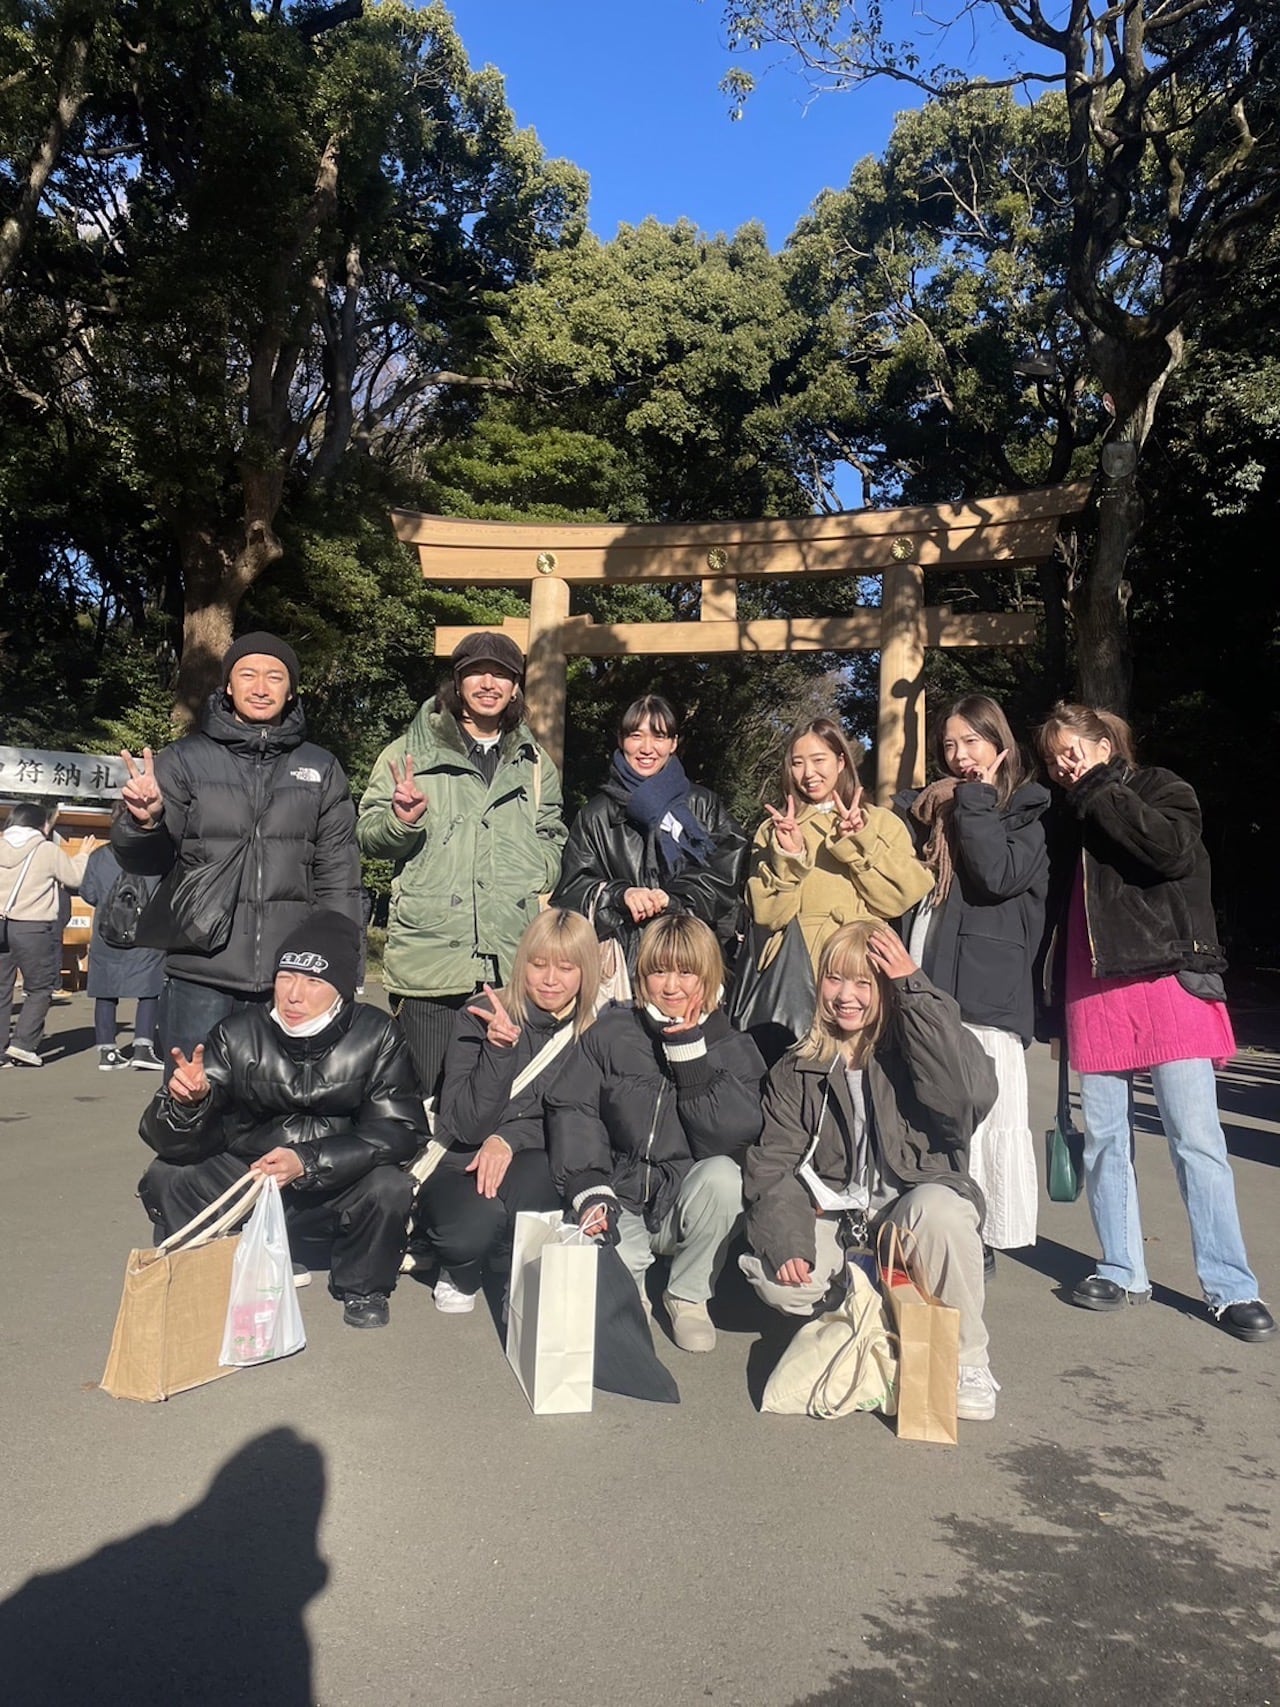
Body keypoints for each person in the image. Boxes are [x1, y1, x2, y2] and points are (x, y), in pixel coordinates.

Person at [1037, 702, 1274, 1342]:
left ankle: (1231, 1286)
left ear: (1105, 744)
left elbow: (1169, 853)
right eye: (1054, 757)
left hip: (1170, 977)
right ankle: (1122, 1268)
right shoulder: (1064, 814)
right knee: (1106, 1137)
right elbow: (1051, 905)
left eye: (1073, 750)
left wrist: (1100, 789)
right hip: (1093, 984)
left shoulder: (1161, 787)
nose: (1064, 764)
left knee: (1196, 1138)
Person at [740, 920, 1003, 1420]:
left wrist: (913, 988)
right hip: (840, 1224)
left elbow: (969, 1094)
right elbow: (773, 1165)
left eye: (864, 983)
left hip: (906, 1215)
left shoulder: (915, 1054)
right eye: (835, 979)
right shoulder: (796, 1068)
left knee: (944, 1211)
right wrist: (788, 1241)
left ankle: (969, 1361)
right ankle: (865, 1322)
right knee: (780, 1280)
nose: (846, 996)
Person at [138, 911, 423, 1329]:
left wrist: (308, 1160)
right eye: (286, 977)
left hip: (333, 1181)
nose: (294, 995)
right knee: (169, 1174)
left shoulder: (376, 1033)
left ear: (342, 989)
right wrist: (187, 1103)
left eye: (313, 982)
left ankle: (363, 1286)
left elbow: (399, 1130)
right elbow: (170, 1140)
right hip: (250, 1178)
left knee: (389, 1186)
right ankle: (208, 1267)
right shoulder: (236, 1033)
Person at [111, 632, 361, 1065]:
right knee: (193, 1094)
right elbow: (147, 861)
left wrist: (340, 963)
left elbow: (338, 875)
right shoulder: (184, 759)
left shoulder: (320, 767)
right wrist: (144, 821)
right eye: (247, 675)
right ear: (228, 685)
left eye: (274, 677)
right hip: (199, 969)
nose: (261, 687)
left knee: (280, 1099)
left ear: (291, 690)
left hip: (290, 974)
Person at [356, 631, 567, 1101]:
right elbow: (368, 835)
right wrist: (401, 820)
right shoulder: (407, 754)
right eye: (476, 672)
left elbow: (552, 831)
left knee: (499, 1100)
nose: (488, 683)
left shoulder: (533, 763)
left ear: (515, 686)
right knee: (427, 1100)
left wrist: (539, 872)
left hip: (508, 956)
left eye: (501, 674)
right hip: (431, 958)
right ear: (457, 681)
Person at [546, 913, 765, 1352]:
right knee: (622, 1303)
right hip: (618, 1194)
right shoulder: (612, 1031)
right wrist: (588, 1185)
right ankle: (634, 1290)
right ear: (641, 975)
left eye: (686, 973)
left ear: (708, 976)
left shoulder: (734, 1047)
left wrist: (691, 1060)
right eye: (659, 971)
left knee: (725, 1177)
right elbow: (573, 1109)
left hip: (684, 1202)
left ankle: (688, 1295)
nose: (671, 986)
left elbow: (730, 1140)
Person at [894, 694, 1049, 1268]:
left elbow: (994, 874)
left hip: (986, 989)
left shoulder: (1025, 813)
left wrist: (977, 799)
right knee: (928, 1110)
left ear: (1000, 744)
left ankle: (981, 1232)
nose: (960, 756)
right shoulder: (930, 811)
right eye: (950, 745)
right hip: (928, 971)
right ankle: (935, 1223)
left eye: (972, 742)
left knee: (985, 1118)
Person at [414, 908, 601, 1313]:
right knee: (469, 1228)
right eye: (538, 964)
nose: (550, 980)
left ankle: (509, 1264)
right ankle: (460, 1267)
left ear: (586, 972)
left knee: (545, 1186)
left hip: (529, 1152)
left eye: (566, 968)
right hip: (459, 1157)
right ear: (521, 964)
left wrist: (508, 1138)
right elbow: (465, 1124)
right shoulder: (481, 1014)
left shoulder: (593, 1030)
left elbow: (574, 1118)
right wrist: (498, 1052)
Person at [552, 694, 747, 975]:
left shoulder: (703, 805)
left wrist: (675, 900)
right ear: (621, 740)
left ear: (673, 743)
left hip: (692, 961)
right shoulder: (596, 814)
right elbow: (570, 891)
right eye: (636, 736)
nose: (646, 748)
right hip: (620, 965)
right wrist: (620, 895)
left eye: (659, 737)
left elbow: (724, 877)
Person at [747, 716, 933, 975]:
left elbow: (897, 901)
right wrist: (790, 856)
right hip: (796, 968)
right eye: (797, 763)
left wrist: (861, 842)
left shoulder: (880, 821)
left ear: (841, 761)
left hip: (866, 961)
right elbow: (767, 916)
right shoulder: (775, 829)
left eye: (818, 760)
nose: (808, 773)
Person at [1, 803, 101, 1068]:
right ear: (40, 824)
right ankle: (23, 1044)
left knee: (1, 988)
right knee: (39, 987)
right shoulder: (45, 850)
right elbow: (74, 877)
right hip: (32, 926)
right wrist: (82, 855)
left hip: (1, 924)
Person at [79, 843, 166, 1070]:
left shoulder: (100, 855)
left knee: (105, 990)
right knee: (149, 989)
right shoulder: (158, 854)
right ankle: (143, 1048)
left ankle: (107, 1051)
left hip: (106, 930)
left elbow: (88, 893)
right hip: (147, 932)